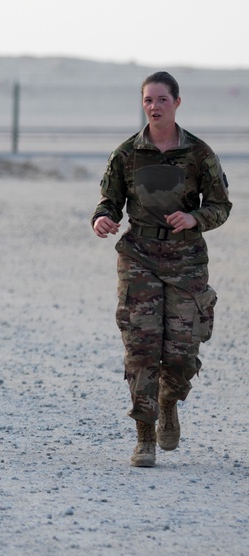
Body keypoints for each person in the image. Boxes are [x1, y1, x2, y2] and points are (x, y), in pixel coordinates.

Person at [92, 71, 231, 468]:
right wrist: (100, 219)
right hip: (139, 256)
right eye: (148, 100)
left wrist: (195, 218)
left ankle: (170, 401)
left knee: (182, 353)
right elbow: (109, 201)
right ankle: (144, 437)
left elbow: (221, 206)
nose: (154, 107)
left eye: (162, 100)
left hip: (186, 261)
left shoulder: (200, 154)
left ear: (177, 103)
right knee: (141, 347)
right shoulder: (126, 154)